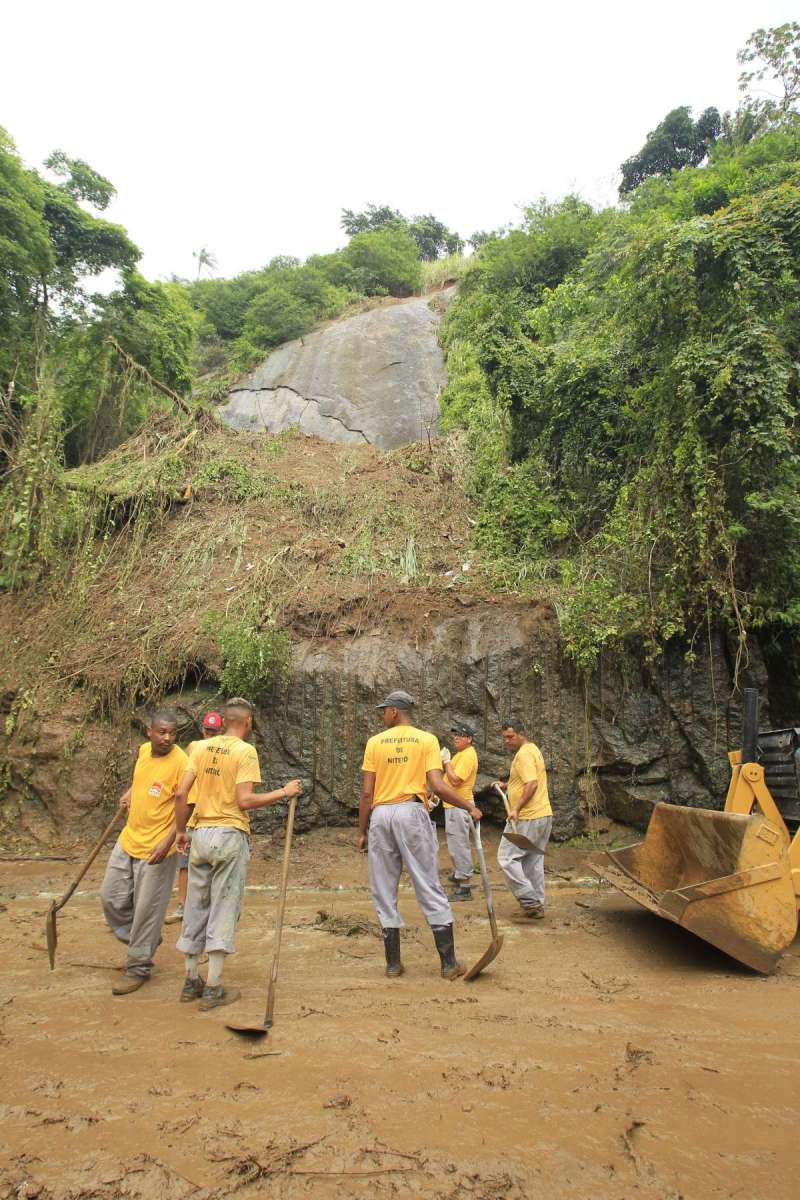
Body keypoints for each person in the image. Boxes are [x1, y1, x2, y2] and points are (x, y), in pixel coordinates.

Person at [173, 697, 303, 1011]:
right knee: (223, 907)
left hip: (200, 834)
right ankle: (214, 987)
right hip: (229, 834)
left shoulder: (200, 748)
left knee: (195, 905)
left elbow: (180, 792)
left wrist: (180, 832)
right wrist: (284, 793)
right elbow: (244, 801)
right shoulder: (245, 752)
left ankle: (191, 980)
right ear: (246, 723)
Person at [358, 689, 482, 980]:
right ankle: (449, 963)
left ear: (394, 711)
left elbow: (366, 793)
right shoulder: (426, 740)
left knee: (383, 887)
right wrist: (468, 807)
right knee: (427, 882)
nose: (382, 715)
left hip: (381, 815)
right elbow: (437, 787)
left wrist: (361, 830)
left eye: (384, 710)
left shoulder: (375, 743)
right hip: (411, 812)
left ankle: (392, 965)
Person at [99, 709, 188, 995]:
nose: (167, 738)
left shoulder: (182, 763)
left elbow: (189, 805)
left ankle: (138, 965)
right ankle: (144, 940)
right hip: (129, 838)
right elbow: (144, 780)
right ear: (149, 731)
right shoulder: (143, 751)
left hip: (157, 847)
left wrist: (169, 841)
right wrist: (130, 792)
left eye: (172, 733)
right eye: (162, 732)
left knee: (147, 910)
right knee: (110, 897)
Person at [165, 711, 223, 925]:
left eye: (213, 731)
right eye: (207, 730)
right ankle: (183, 905)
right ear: (202, 729)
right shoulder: (195, 747)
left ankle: (208, 908)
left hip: (210, 817)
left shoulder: (222, 752)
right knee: (185, 864)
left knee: (210, 865)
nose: (209, 734)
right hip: (192, 815)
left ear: (220, 731)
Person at [493, 717, 552, 919]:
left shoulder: (524, 755)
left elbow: (532, 784)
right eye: (504, 738)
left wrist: (516, 808)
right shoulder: (533, 750)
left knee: (506, 858)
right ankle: (537, 904)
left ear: (521, 734)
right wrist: (507, 785)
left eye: (510, 737)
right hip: (543, 815)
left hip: (527, 817)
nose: (507, 741)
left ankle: (529, 902)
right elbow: (525, 781)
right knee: (532, 861)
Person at [443, 723, 479, 902]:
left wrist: (446, 762)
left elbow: (456, 780)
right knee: (455, 843)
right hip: (454, 805)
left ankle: (465, 886)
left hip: (459, 805)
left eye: (460, 735)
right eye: (454, 735)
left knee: (459, 844)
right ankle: (459, 873)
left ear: (469, 739)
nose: (455, 738)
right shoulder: (462, 754)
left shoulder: (468, 755)